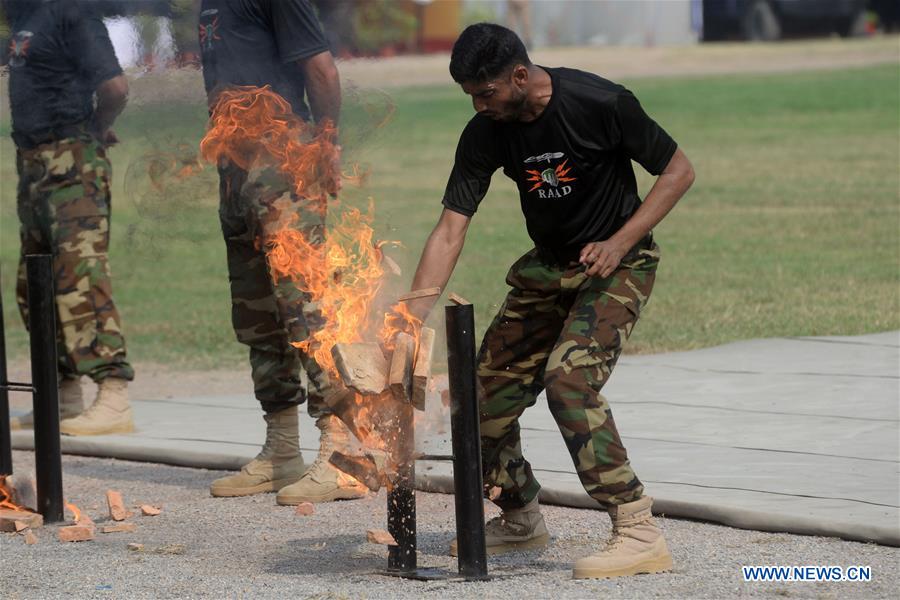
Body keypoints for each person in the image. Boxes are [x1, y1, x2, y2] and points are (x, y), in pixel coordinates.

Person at [400, 23, 695, 579]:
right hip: (550, 267)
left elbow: (679, 170)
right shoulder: (486, 131)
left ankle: (638, 531)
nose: (478, 105)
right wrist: (409, 315)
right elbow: (450, 228)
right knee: (479, 395)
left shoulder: (600, 102)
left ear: (519, 76)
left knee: (570, 381)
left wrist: (620, 241)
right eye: (470, 95)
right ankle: (519, 516)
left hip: (618, 264)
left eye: (486, 92)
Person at [198, 0, 366, 504]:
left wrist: (327, 144)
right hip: (234, 163)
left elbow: (321, 67)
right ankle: (282, 450)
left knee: (305, 306)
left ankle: (341, 455)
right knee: (256, 310)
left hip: (284, 157)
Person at [5, 0, 135, 436]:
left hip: (73, 164)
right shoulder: (21, 12)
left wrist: (95, 128)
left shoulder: (71, 11)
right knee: (35, 285)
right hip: (33, 165)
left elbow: (115, 87)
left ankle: (114, 395)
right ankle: (62, 398)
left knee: (81, 278)